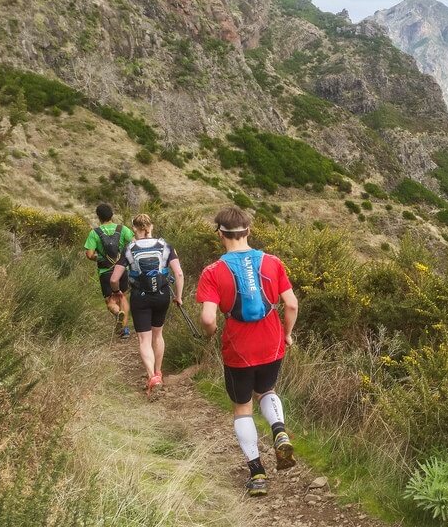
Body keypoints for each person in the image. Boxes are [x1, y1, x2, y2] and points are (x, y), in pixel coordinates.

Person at [196, 206, 299, 497]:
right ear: (248, 231)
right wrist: (287, 334)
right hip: (272, 341)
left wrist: (211, 332)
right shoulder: (272, 262)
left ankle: (257, 475)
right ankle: (279, 429)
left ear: (220, 234)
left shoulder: (213, 272)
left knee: (242, 407)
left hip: (238, 348)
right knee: (267, 390)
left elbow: (207, 318)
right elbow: (290, 304)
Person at [110, 214, 184, 396]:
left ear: (135, 228)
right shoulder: (165, 246)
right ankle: (158, 372)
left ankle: (152, 377)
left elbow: (113, 279)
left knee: (144, 339)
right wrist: (179, 297)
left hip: (139, 296)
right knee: (158, 335)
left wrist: (118, 291)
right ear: (151, 226)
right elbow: (179, 274)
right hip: (162, 295)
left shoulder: (130, 248)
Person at [84, 203, 135, 339]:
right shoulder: (123, 229)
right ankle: (124, 330)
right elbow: (134, 245)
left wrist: (100, 257)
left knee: (110, 301)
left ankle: (117, 313)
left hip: (105, 272)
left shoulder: (94, 233)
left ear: (98, 217)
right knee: (122, 296)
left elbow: (89, 254)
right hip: (123, 270)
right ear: (112, 215)